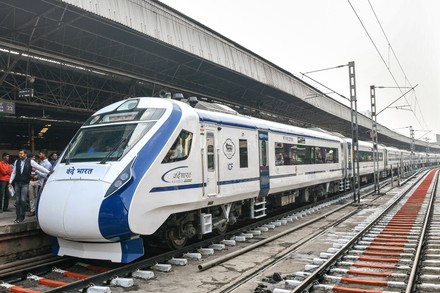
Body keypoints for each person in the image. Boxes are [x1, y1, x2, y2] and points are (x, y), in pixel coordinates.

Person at [9, 149, 51, 223]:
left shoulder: (30, 161)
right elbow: (14, 172)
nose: (20, 155)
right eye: (19, 153)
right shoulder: (17, 161)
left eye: (21, 153)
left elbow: (39, 167)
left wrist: (49, 172)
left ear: (25, 154)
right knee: (18, 201)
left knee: (23, 200)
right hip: (17, 183)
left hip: (25, 183)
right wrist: (10, 182)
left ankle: (22, 217)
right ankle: (17, 217)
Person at [32, 149, 53, 216]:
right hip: (39, 183)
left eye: (40, 154)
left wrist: (36, 171)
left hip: (43, 184)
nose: (39, 155)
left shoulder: (47, 164)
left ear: (44, 154)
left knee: (42, 200)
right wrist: (36, 176)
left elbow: (45, 175)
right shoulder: (41, 163)